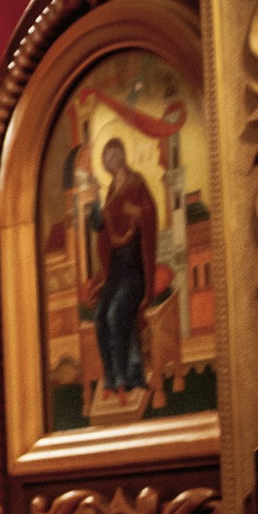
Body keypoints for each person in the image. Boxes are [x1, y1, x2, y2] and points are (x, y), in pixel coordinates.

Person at [86, 136, 159, 395]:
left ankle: (127, 377)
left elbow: (150, 212)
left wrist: (137, 213)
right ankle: (111, 377)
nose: (111, 160)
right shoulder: (110, 192)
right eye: (107, 157)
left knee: (115, 314)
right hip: (114, 271)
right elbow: (100, 226)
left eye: (115, 154)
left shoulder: (136, 182)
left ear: (123, 156)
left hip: (133, 270)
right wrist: (95, 204)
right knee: (100, 317)